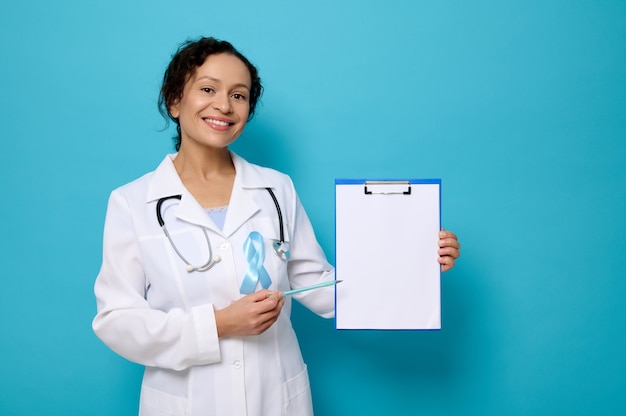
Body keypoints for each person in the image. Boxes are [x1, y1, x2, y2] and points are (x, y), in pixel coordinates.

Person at [92, 37, 461, 416]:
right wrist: (218, 324)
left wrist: (414, 260)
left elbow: (321, 286)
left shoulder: (275, 188)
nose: (224, 105)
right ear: (174, 101)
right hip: (187, 401)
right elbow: (117, 321)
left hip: (275, 395)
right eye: (207, 89)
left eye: (240, 95)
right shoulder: (133, 202)